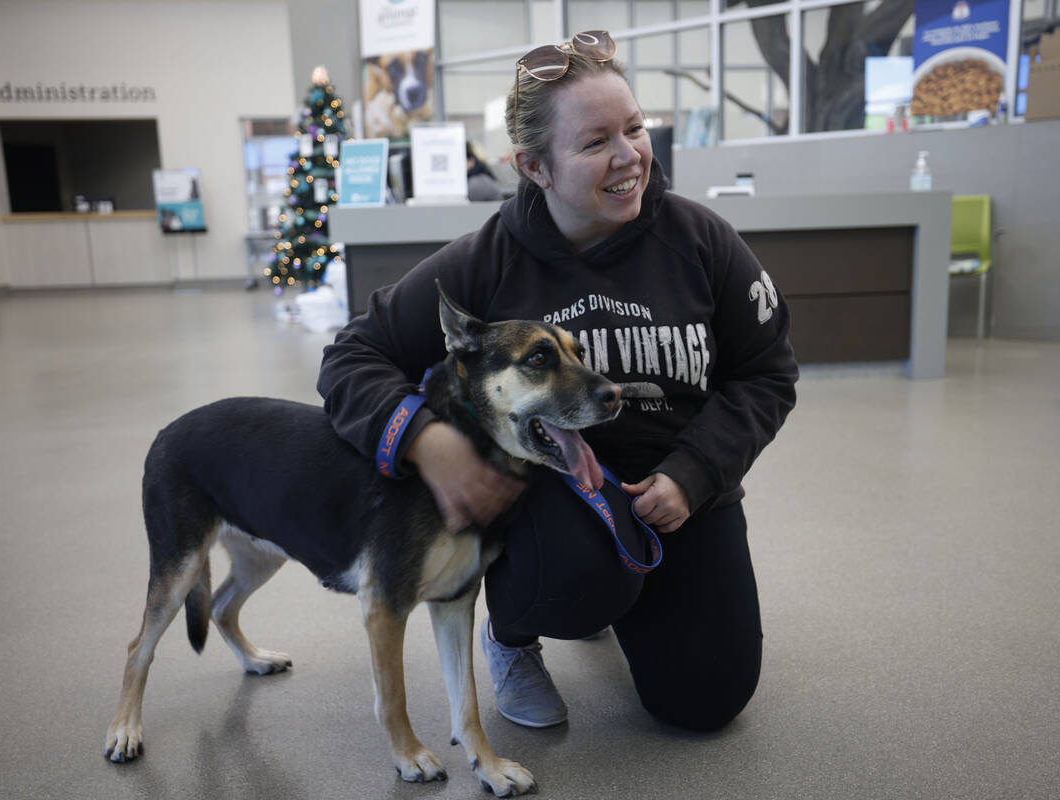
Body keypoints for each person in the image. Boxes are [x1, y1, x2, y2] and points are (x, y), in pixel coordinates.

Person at [318, 30, 798, 734]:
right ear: (534, 166)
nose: (629, 154)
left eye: (634, 128)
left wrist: (695, 473)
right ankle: (513, 635)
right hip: (554, 500)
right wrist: (424, 442)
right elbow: (352, 356)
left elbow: (767, 371)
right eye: (596, 141)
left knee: (704, 702)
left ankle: (629, 587)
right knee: (579, 583)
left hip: (684, 497)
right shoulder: (485, 262)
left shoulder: (703, 240)